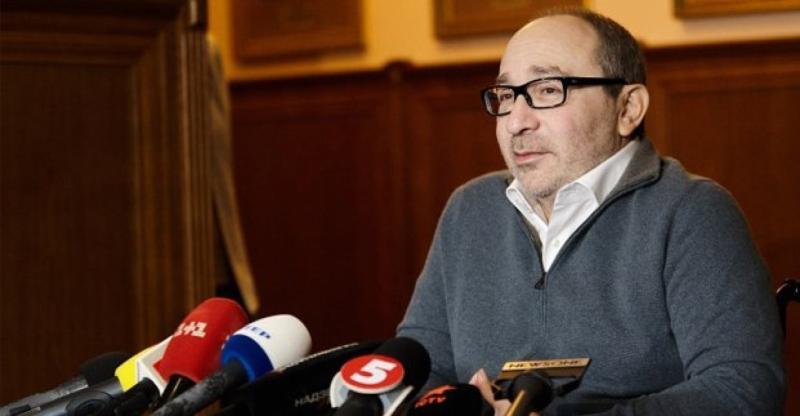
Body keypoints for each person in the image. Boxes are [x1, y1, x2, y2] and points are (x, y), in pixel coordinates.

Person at [397, 7, 784, 416]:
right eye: (507, 96)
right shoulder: (471, 211)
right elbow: (420, 372)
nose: (515, 122)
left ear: (627, 108)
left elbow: (742, 390)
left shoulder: (692, 211)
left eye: (548, 90)